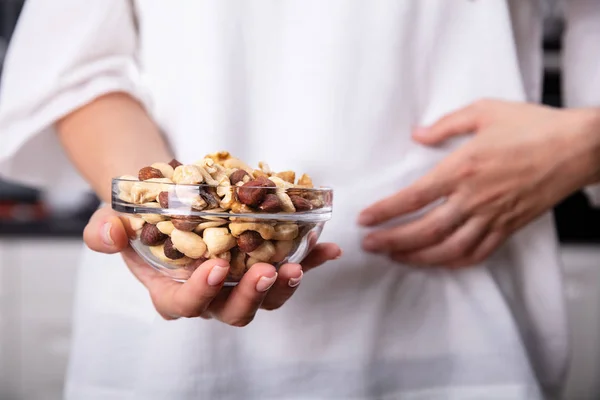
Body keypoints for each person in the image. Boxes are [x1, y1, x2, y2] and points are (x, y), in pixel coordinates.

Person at [0, 0, 598, 398]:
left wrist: (586, 142)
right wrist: (160, 207)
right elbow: (75, 68)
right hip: (177, 353)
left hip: (461, 310)